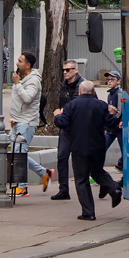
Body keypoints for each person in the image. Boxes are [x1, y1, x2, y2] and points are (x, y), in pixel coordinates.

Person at [53, 80, 121, 221]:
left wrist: (57, 116)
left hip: (79, 147)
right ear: (94, 92)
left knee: (81, 179)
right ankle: (113, 187)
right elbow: (112, 123)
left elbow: (62, 123)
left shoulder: (71, 105)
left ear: (79, 92)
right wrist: (114, 114)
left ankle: (88, 212)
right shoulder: (101, 105)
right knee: (97, 171)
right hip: (98, 146)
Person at [9, 50, 52, 196]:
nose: (16, 63)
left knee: (19, 155)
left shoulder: (33, 80)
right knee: (17, 153)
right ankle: (44, 173)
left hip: (27, 122)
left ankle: (22, 187)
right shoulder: (22, 77)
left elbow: (27, 98)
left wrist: (17, 84)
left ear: (28, 65)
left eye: (20, 61)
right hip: (18, 120)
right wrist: (14, 117)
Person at [50, 59, 84, 201]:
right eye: (64, 70)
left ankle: (103, 185)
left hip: (79, 129)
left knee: (81, 160)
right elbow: (63, 102)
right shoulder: (65, 85)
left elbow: (76, 105)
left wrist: (62, 112)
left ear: (75, 70)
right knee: (62, 157)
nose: (65, 72)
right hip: (66, 127)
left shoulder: (82, 85)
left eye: (68, 70)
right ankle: (63, 189)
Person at [103, 70, 123, 172]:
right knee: (102, 147)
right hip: (111, 128)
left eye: (112, 79)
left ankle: (122, 165)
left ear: (118, 81)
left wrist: (116, 120)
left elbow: (120, 111)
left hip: (118, 127)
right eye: (108, 80)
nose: (109, 82)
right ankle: (98, 169)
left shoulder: (119, 94)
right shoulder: (110, 94)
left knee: (124, 149)